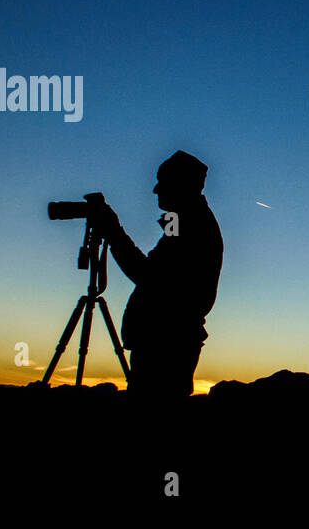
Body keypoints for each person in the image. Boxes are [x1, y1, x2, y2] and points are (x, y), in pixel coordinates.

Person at [91, 151, 223, 397]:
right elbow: (155, 267)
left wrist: (113, 231)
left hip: (164, 346)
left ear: (180, 184)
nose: (155, 190)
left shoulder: (192, 224)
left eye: (163, 182)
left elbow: (147, 276)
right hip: (168, 341)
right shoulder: (182, 221)